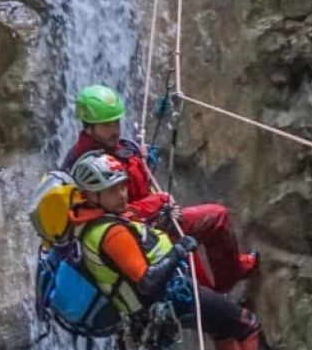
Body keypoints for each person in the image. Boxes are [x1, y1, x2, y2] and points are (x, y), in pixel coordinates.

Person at [69, 152, 312, 350]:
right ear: (91, 194)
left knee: (222, 329)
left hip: (161, 301)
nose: (122, 194)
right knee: (246, 325)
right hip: (170, 298)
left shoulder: (95, 222)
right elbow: (147, 281)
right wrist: (179, 251)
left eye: (122, 185)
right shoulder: (111, 233)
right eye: (112, 190)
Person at [62, 84, 256, 292]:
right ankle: (224, 288)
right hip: (140, 230)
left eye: (116, 122)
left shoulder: (108, 148)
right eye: (107, 125)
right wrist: (158, 201)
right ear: (88, 126)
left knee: (209, 231)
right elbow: (111, 214)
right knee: (215, 222)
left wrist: (139, 160)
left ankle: (224, 283)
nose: (115, 130)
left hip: (151, 220)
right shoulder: (87, 166)